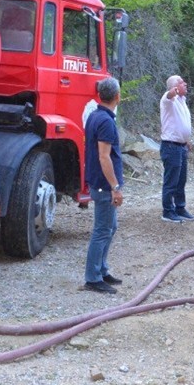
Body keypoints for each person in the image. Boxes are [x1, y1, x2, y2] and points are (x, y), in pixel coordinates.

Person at [82, 77, 125, 294]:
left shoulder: (95, 116)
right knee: (102, 230)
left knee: (111, 227)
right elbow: (104, 157)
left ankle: (102, 269)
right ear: (117, 96)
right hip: (103, 185)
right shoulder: (106, 121)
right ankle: (93, 277)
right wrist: (115, 187)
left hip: (100, 183)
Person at [159, 74, 194, 223]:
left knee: (181, 180)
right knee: (171, 181)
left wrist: (186, 141)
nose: (185, 84)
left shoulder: (182, 101)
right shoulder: (168, 100)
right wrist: (173, 92)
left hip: (180, 146)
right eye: (181, 82)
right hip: (170, 146)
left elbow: (180, 123)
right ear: (175, 87)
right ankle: (167, 211)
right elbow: (168, 95)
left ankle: (180, 208)